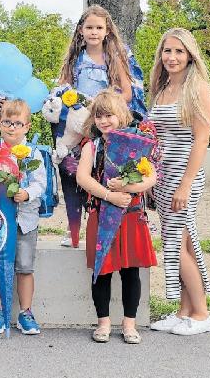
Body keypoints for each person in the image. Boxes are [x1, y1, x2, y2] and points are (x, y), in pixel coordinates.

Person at [76, 89, 157, 344]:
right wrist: (110, 196)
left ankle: (129, 324)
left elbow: (150, 177)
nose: (104, 121)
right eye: (99, 116)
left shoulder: (137, 142)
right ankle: (103, 322)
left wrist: (126, 188)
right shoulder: (92, 145)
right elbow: (83, 178)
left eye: (109, 115)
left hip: (131, 216)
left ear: (121, 115)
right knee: (101, 271)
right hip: (102, 213)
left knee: (130, 272)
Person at [148, 28, 210, 335]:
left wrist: (186, 183)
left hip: (184, 175)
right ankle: (183, 311)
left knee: (177, 246)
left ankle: (202, 314)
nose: (172, 57)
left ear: (190, 55)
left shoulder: (198, 88)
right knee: (180, 242)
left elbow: (201, 141)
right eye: (167, 51)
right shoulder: (161, 89)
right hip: (162, 177)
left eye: (179, 51)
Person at [56, 4, 133, 248]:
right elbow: (61, 89)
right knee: (71, 171)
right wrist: (72, 102)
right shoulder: (74, 60)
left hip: (103, 124)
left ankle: (100, 222)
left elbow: (128, 93)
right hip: (78, 124)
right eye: (89, 27)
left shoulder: (114, 59)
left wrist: (104, 103)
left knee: (102, 172)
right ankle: (73, 227)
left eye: (99, 27)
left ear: (107, 30)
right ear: (80, 30)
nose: (94, 32)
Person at [0, 99, 46, 335]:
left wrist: (26, 193)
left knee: (24, 267)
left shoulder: (33, 154)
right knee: (0, 265)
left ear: (27, 126)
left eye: (17, 123)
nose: (12, 127)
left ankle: (25, 312)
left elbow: (40, 184)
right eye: (7, 122)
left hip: (25, 221)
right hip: (0, 221)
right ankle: (0, 311)